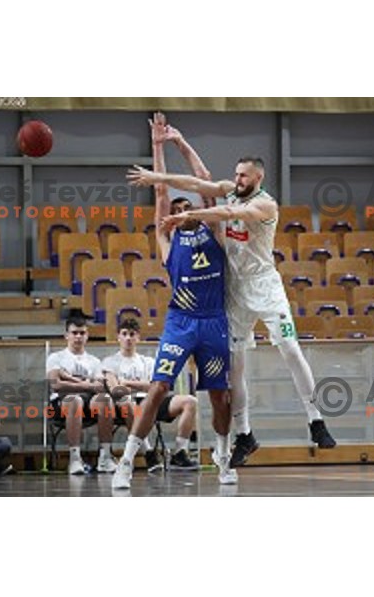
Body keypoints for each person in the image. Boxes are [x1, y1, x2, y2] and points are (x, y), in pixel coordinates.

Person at [129, 150, 337, 467]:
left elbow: (227, 213)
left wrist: (190, 217)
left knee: (290, 348)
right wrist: (159, 177)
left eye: (243, 175)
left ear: (258, 178)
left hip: (265, 286)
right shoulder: (231, 190)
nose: (237, 179)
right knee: (235, 365)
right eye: (236, 173)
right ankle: (244, 434)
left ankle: (316, 419)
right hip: (235, 289)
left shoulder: (265, 205)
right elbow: (196, 181)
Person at [112, 113, 236, 490]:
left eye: (188, 208)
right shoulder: (167, 241)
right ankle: (128, 460)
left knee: (220, 396)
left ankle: (223, 455)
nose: (181, 212)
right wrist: (157, 145)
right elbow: (161, 193)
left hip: (214, 321)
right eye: (177, 210)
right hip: (180, 322)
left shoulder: (214, 230)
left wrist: (182, 143)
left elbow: (209, 186)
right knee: (158, 388)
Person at [101, 317, 199, 470]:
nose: (128, 338)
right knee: (127, 401)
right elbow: (115, 389)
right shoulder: (110, 361)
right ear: (118, 337)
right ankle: (148, 452)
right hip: (124, 406)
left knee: (190, 401)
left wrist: (127, 383)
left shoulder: (148, 362)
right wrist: (140, 385)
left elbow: (156, 387)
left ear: (138, 338)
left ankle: (180, 452)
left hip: (152, 401)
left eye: (132, 334)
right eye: (124, 334)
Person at [46, 314, 118, 475]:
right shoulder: (56, 357)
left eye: (82, 333)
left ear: (87, 336)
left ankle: (105, 457)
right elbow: (56, 385)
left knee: (105, 399)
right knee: (74, 400)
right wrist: (87, 383)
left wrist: (70, 378)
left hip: (88, 400)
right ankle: (75, 458)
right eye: (74, 333)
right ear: (66, 335)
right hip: (62, 402)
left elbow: (99, 387)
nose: (78, 336)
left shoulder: (94, 361)